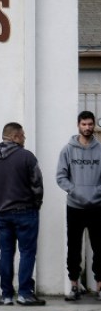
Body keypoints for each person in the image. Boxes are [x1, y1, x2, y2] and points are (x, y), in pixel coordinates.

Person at [0, 121, 46, 306]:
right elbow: (37, 186)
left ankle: (6, 295)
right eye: (23, 135)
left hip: (1, 214)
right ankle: (25, 293)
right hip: (25, 212)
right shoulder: (27, 157)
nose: (24, 138)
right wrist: (36, 205)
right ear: (15, 136)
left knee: (6, 253)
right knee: (27, 252)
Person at [56, 110, 100, 301]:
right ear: (78, 125)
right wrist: (74, 190)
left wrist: (97, 192)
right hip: (74, 206)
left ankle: (99, 286)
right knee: (73, 247)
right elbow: (60, 176)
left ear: (94, 126)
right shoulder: (67, 149)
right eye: (84, 124)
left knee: (100, 247)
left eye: (90, 124)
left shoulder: (100, 149)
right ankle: (74, 285)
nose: (87, 127)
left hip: (97, 207)